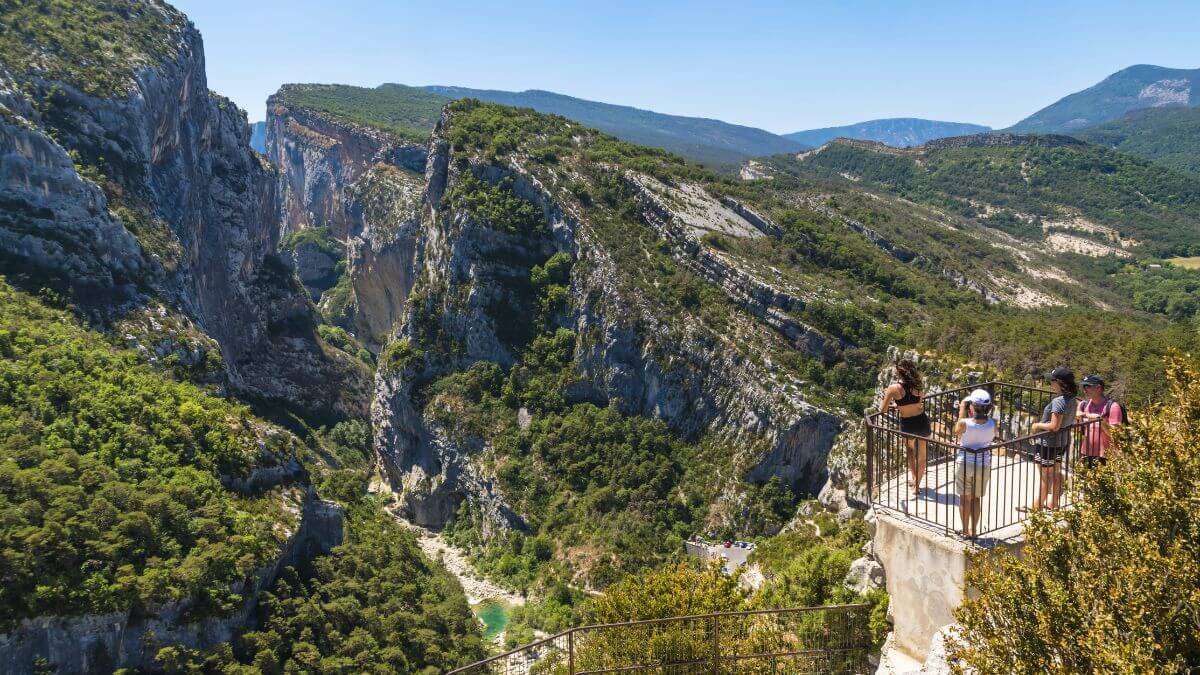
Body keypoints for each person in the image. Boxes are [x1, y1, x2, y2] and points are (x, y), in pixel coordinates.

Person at [1024, 367, 1078, 512]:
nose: (1050, 383)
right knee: (1055, 472)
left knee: (1044, 475)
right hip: (1062, 441)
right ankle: (1053, 503)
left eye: (1052, 380)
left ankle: (1037, 506)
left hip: (1049, 443)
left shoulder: (1059, 401)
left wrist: (1037, 425)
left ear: (1060, 383)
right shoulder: (1072, 398)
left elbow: (1054, 426)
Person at [879, 358, 930, 498]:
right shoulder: (918, 385)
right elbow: (918, 403)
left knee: (911, 452)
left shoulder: (893, 389)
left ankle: (915, 480)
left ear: (898, 372)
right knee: (923, 456)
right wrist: (900, 405)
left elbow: (882, 410)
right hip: (921, 420)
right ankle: (916, 484)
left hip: (908, 423)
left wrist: (891, 401)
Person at [954, 389, 996, 538]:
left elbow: (957, 430)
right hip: (983, 463)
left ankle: (965, 531)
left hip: (965, 462)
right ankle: (974, 531)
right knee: (976, 498)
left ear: (972, 406)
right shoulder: (992, 423)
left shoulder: (965, 423)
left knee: (964, 498)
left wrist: (961, 410)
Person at [1077, 374, 1123, 469]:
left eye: (1087, 386)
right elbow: (1078, 430)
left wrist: (1100, 420)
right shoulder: (1083, 405)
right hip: (1086, 453)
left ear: (1098, 388)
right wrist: (1076, 419)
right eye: (1083, 386)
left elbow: (1114, 434)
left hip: (1105, 456)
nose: (1084, 389)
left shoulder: (1113, 407)